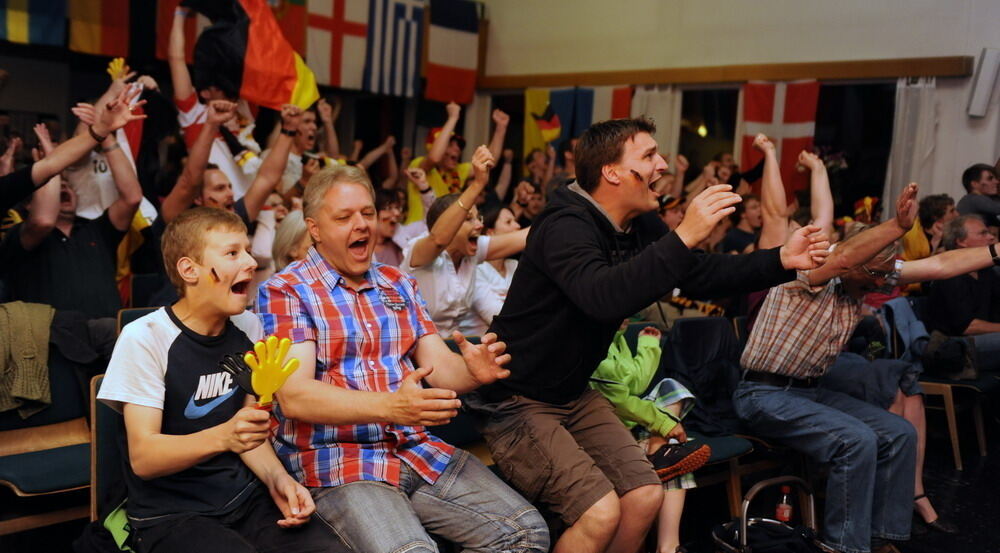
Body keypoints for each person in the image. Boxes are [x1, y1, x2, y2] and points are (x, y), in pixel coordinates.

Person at [466, 117, 830, 553]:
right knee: (599, 512)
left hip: (572, 393)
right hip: (519, 399)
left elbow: (695, 273)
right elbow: (602, 297)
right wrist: (686, 234)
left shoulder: (636, 223)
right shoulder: (565, 225)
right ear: (612, 172)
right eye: (649, 155)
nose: (662, 166)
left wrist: (780, 260)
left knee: (644, 497)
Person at [255, 164, 549, 553]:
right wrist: (393, 406)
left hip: (415, 448)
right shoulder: (286, 290)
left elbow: (441, 370)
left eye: (368, 213)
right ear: (314, 229)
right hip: (340, 462)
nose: (361, 225)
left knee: (527, 532)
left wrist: (474, 372)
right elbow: (295, 398)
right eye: (344, 217)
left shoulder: (397, 282)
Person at [733, 183, 1000, 553]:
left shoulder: (872, 271)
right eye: (874, 273)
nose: (880, 283)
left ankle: (883, 539)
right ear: (855, 260)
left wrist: (996, 251)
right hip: (762, 394)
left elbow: (939, 265)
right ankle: (845, 548)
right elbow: (842, 257)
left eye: (885, 274)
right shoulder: (810, 271)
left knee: (899, 432)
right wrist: (897, 224)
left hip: (809, 392)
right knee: (856, 441)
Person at [97, 207, 346, 553]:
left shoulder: (250, 327)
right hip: (171, 515)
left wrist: (279, 481)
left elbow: (250, 434)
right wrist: (224, 436)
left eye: (247, 250)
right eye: (232, 253)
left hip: (244, 500)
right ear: (189, 270)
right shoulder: (145, 338)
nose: (251, 262)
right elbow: (145, 457)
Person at [1, 112, 143, 319]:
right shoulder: (20, 237)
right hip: (50, 342)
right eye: (58, 185)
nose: (63, 188)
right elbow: (43, 220)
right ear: (29, 206)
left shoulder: (95, 230)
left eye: (67, 185)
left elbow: (132, 197)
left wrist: (107, 137)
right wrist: (51, 166)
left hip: (106, 339)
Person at [589, 322, 709, 553]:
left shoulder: (617, 336)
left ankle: (657, 448)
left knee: (670, 391)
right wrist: (661, 423)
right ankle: (669, 546)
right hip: (599, 421)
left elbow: (636, 383)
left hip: (625, 418)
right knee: (672, 453)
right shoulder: (593, 338)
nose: (629, 316)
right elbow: (617, 399)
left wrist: (648, 346)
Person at [402, 146, 529, 337]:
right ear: (449, 224)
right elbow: (438, 239)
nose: (479, 225)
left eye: (479, 218)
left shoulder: (472, 250)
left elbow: (526, 237)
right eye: (469, 219)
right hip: (413, 346)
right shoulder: (419, 249)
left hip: (452, 346)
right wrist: (478, 183)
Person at [0, 87, 144, 215]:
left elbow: (133, 198)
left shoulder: (119, 148)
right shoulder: (81, 159)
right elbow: (42, 221)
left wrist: (103, 128)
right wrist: (103, 124)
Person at [405, 103, 509, 224]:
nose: (457, 150)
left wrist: (500, 128)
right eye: (450, 144)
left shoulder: (459, 170)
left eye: (459, 146)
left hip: (443, 230)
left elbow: (489, 161)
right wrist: (453, 118)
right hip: (416, 233)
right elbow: (434, 158)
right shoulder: (418, 164)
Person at [928, 215, 1000, 371]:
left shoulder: (986, 272)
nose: (991, 237)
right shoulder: (949, 276)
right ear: (961, 242)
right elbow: (967, 327)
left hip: (982, 340)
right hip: (955, 349)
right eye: (983, 233)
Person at [459, 205, 521, 336]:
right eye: (508, 222)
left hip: (510, 340)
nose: (517, 226)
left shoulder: (514, 265)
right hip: (476, 343)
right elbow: (495, 315)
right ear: (490, 233)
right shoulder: (475, 268)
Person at [901, 194, 957, 261]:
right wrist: (936, 242)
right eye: (952, 211)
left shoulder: (950, 231)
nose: (957, 214)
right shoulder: (914, 235)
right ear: (936, 217)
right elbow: (920, 267)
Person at [955, 163, 999, 228]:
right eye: (990, 179)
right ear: (974, 184)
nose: (997, 182)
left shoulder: (970, 200)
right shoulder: (975, 199)